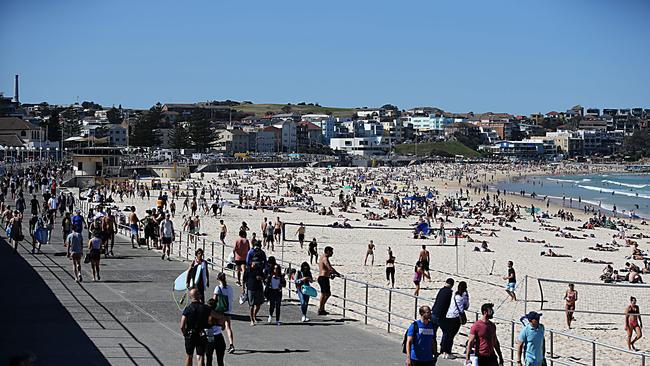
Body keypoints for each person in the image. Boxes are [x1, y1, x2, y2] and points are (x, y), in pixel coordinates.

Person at [180, 288, 212, 366]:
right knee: (200, 357)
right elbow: (214, 317)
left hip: (190, 334)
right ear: (199, 296)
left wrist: (185, 333)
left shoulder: (188, 309)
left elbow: (182, 325)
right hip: (201, 334)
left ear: (191, 297)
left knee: (189, 355)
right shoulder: (205, 308)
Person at [441, 281, 468, 359]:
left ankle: (444, 351)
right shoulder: (461, 297)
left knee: (447, 334)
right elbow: (465, 307)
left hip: (448, 315)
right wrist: (467, 296)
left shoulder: (454, 294)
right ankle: (447, 352)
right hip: (455, 317)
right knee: (451, 336)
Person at [212, 273, 235, 354]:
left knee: (217, 326)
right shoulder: (230, 288)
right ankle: (231, 344)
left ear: (218, 279)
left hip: (220, 311)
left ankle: (216, 343)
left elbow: (214, 301)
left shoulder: (218, 288)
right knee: (228, 327)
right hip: (228, 310)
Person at [317, 246, 339, 315]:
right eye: (331, 252)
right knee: (324, 294)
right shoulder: (325, 258)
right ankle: (321, 308)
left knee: (326, 294)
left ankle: (322, 308)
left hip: (323, 277)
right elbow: (330, 268)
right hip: (323, 278)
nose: (332, 253)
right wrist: (337, 273)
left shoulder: (322, 257)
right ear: (328, 252)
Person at [204, 299, 226, 366]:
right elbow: (223, 328)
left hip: (209, 336)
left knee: (209, 358)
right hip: (218, 336)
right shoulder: (220, 315)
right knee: (220, 360)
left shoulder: (205, 315)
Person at [246, 261, 265, 326]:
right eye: (254, 263)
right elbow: (244, 279)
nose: (255, 264)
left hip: (259, 288)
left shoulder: (259, 270)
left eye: (256, 263)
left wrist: (261, 278)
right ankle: (251, 320)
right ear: (251, 263)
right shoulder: (248, 270)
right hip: (250, 288)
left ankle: (254, 316)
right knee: (251, 305)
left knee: (258, 305)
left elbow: (264, 277)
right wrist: (243, 289)